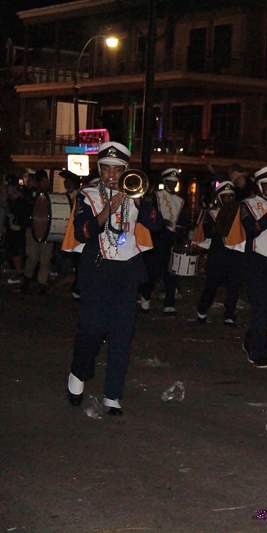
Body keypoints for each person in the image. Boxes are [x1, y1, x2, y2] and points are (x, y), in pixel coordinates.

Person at [63, 141, 163, 415]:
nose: (111, 174)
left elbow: (155, 224)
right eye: (106, 168)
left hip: (126, 270)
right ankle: (79, 373)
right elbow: (82, 232)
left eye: (117, 169)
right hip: (98, 270)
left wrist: (139, 200)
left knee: (122, 333)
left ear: (125, 170)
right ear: (99, 169)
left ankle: (113, 395)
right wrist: (107, 209)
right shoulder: (88, 195)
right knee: (92, 329)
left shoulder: (139, 194)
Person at [229, 166, 267, 369]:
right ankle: (259, 352)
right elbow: (251, 230)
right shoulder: (248, 204)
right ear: (259, 185)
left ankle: (252, 338)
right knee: (261, 307)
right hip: (256, 260)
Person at [194, 181, 244, 325]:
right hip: (218, 255)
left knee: (234, 286)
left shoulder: (239, 213)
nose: (228, 199)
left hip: (234, 255)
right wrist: (221, 223)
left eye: (230, 196)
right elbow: (208, 232)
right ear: (220, 198)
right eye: (225, 196)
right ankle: (202, 311)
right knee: (211, 285)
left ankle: (229, 314)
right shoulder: (212, 213)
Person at [139, 168, 187, 314]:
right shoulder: (155, 196)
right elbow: (147, 214)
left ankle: (169, 302)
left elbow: (183, 220)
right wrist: (160, 221)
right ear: (165, 182)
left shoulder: (181, 200)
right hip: (158, 236)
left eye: (175, 182)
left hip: (172, 238)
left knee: (171, 271)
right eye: (170, 182)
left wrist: (182, 234)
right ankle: (145, 296)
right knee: (154, 271)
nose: (173, 185)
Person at [20, 170, 55, 294]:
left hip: (47, 229)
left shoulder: (50, 196)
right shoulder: (30, 195)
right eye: (43, 181)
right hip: (33, 229)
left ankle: (42, 284)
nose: (45, 184)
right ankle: (27, 279)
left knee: (45, 258)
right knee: (33, 257)